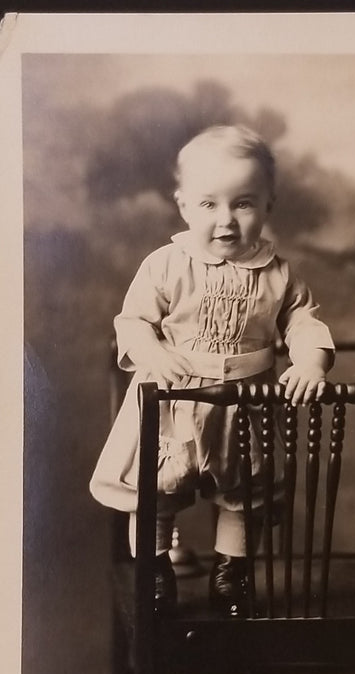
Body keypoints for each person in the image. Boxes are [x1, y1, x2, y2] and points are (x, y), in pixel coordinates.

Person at [90, 124, 335, 617]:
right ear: (182, 205)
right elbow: (133, 322)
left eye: (244, 203)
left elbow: (304, 322)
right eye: (208, 205)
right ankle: (154, 577)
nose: (226, 220)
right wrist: (153, 353)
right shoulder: (164, 265)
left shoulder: (280, 274)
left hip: (245, 405)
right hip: (172, 400)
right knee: (154, 490)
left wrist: (310, 359)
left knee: (245, 492)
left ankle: (231, 578)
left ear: (268, 205)